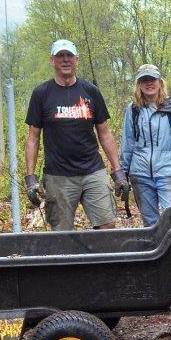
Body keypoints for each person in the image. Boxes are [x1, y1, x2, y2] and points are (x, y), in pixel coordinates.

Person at [24, 39, 128, 231]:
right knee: (62, 235)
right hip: (58, 176)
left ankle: (101, 262)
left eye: (69, 55)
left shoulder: (90, 91)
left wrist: (118, 172)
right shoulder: (41, 93)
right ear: (52, 60)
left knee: (107, 227)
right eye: (60, 56)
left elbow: (104, 133)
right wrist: (31, 178)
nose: (65, 60)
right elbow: (33, 137)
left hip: (92, 171)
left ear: (77, 60)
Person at [119, 64, 171, 281]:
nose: (149, 84)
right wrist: (123, 173)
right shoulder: (133, 110)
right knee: (150, 222)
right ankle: (157, 264)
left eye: (152, 79)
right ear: (139, 85)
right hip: (140, 174)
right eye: (144, 80)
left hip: (168, 171)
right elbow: (128, 143)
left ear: (160, 82)